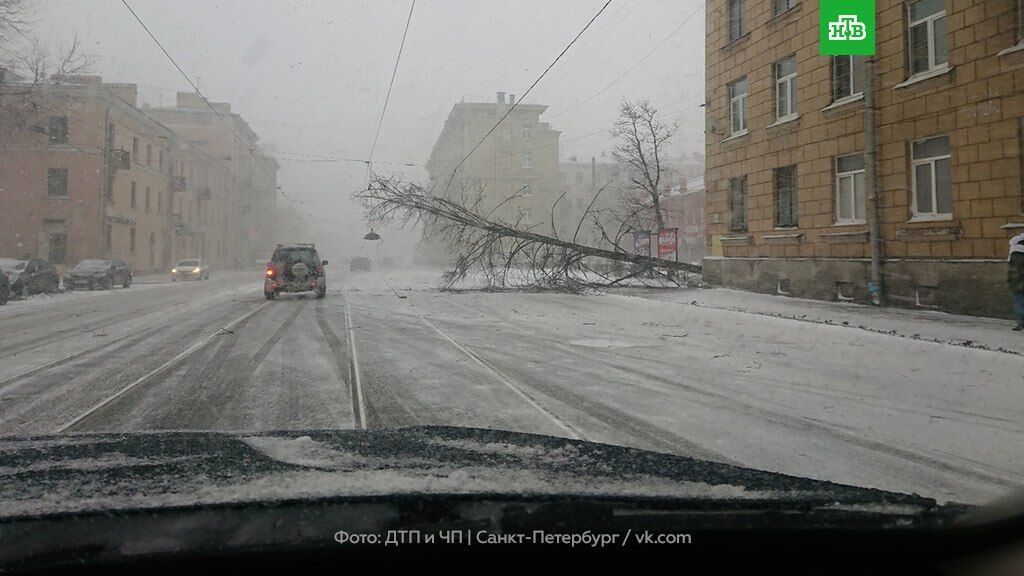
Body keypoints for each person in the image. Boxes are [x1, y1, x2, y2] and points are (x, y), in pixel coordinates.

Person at [1008, 233, 1024, 331]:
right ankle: (1021, 323)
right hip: (1018, 283)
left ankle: (1021, 323)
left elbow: (1013, 271)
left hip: (1018, 284)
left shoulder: (1015, 254)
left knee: (1018, 304)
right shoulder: (1017, 254)